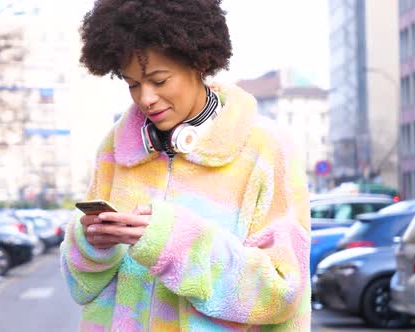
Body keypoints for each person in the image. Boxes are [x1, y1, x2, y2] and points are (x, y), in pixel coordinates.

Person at [60, 0, 311, 331]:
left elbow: (282, 293)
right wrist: (92, 245)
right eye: (132, 83)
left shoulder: (265, 149)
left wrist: (174, 243)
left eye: (159, 80)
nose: (145, 97)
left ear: (198, 63)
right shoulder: (115, 149)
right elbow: (81, 288)